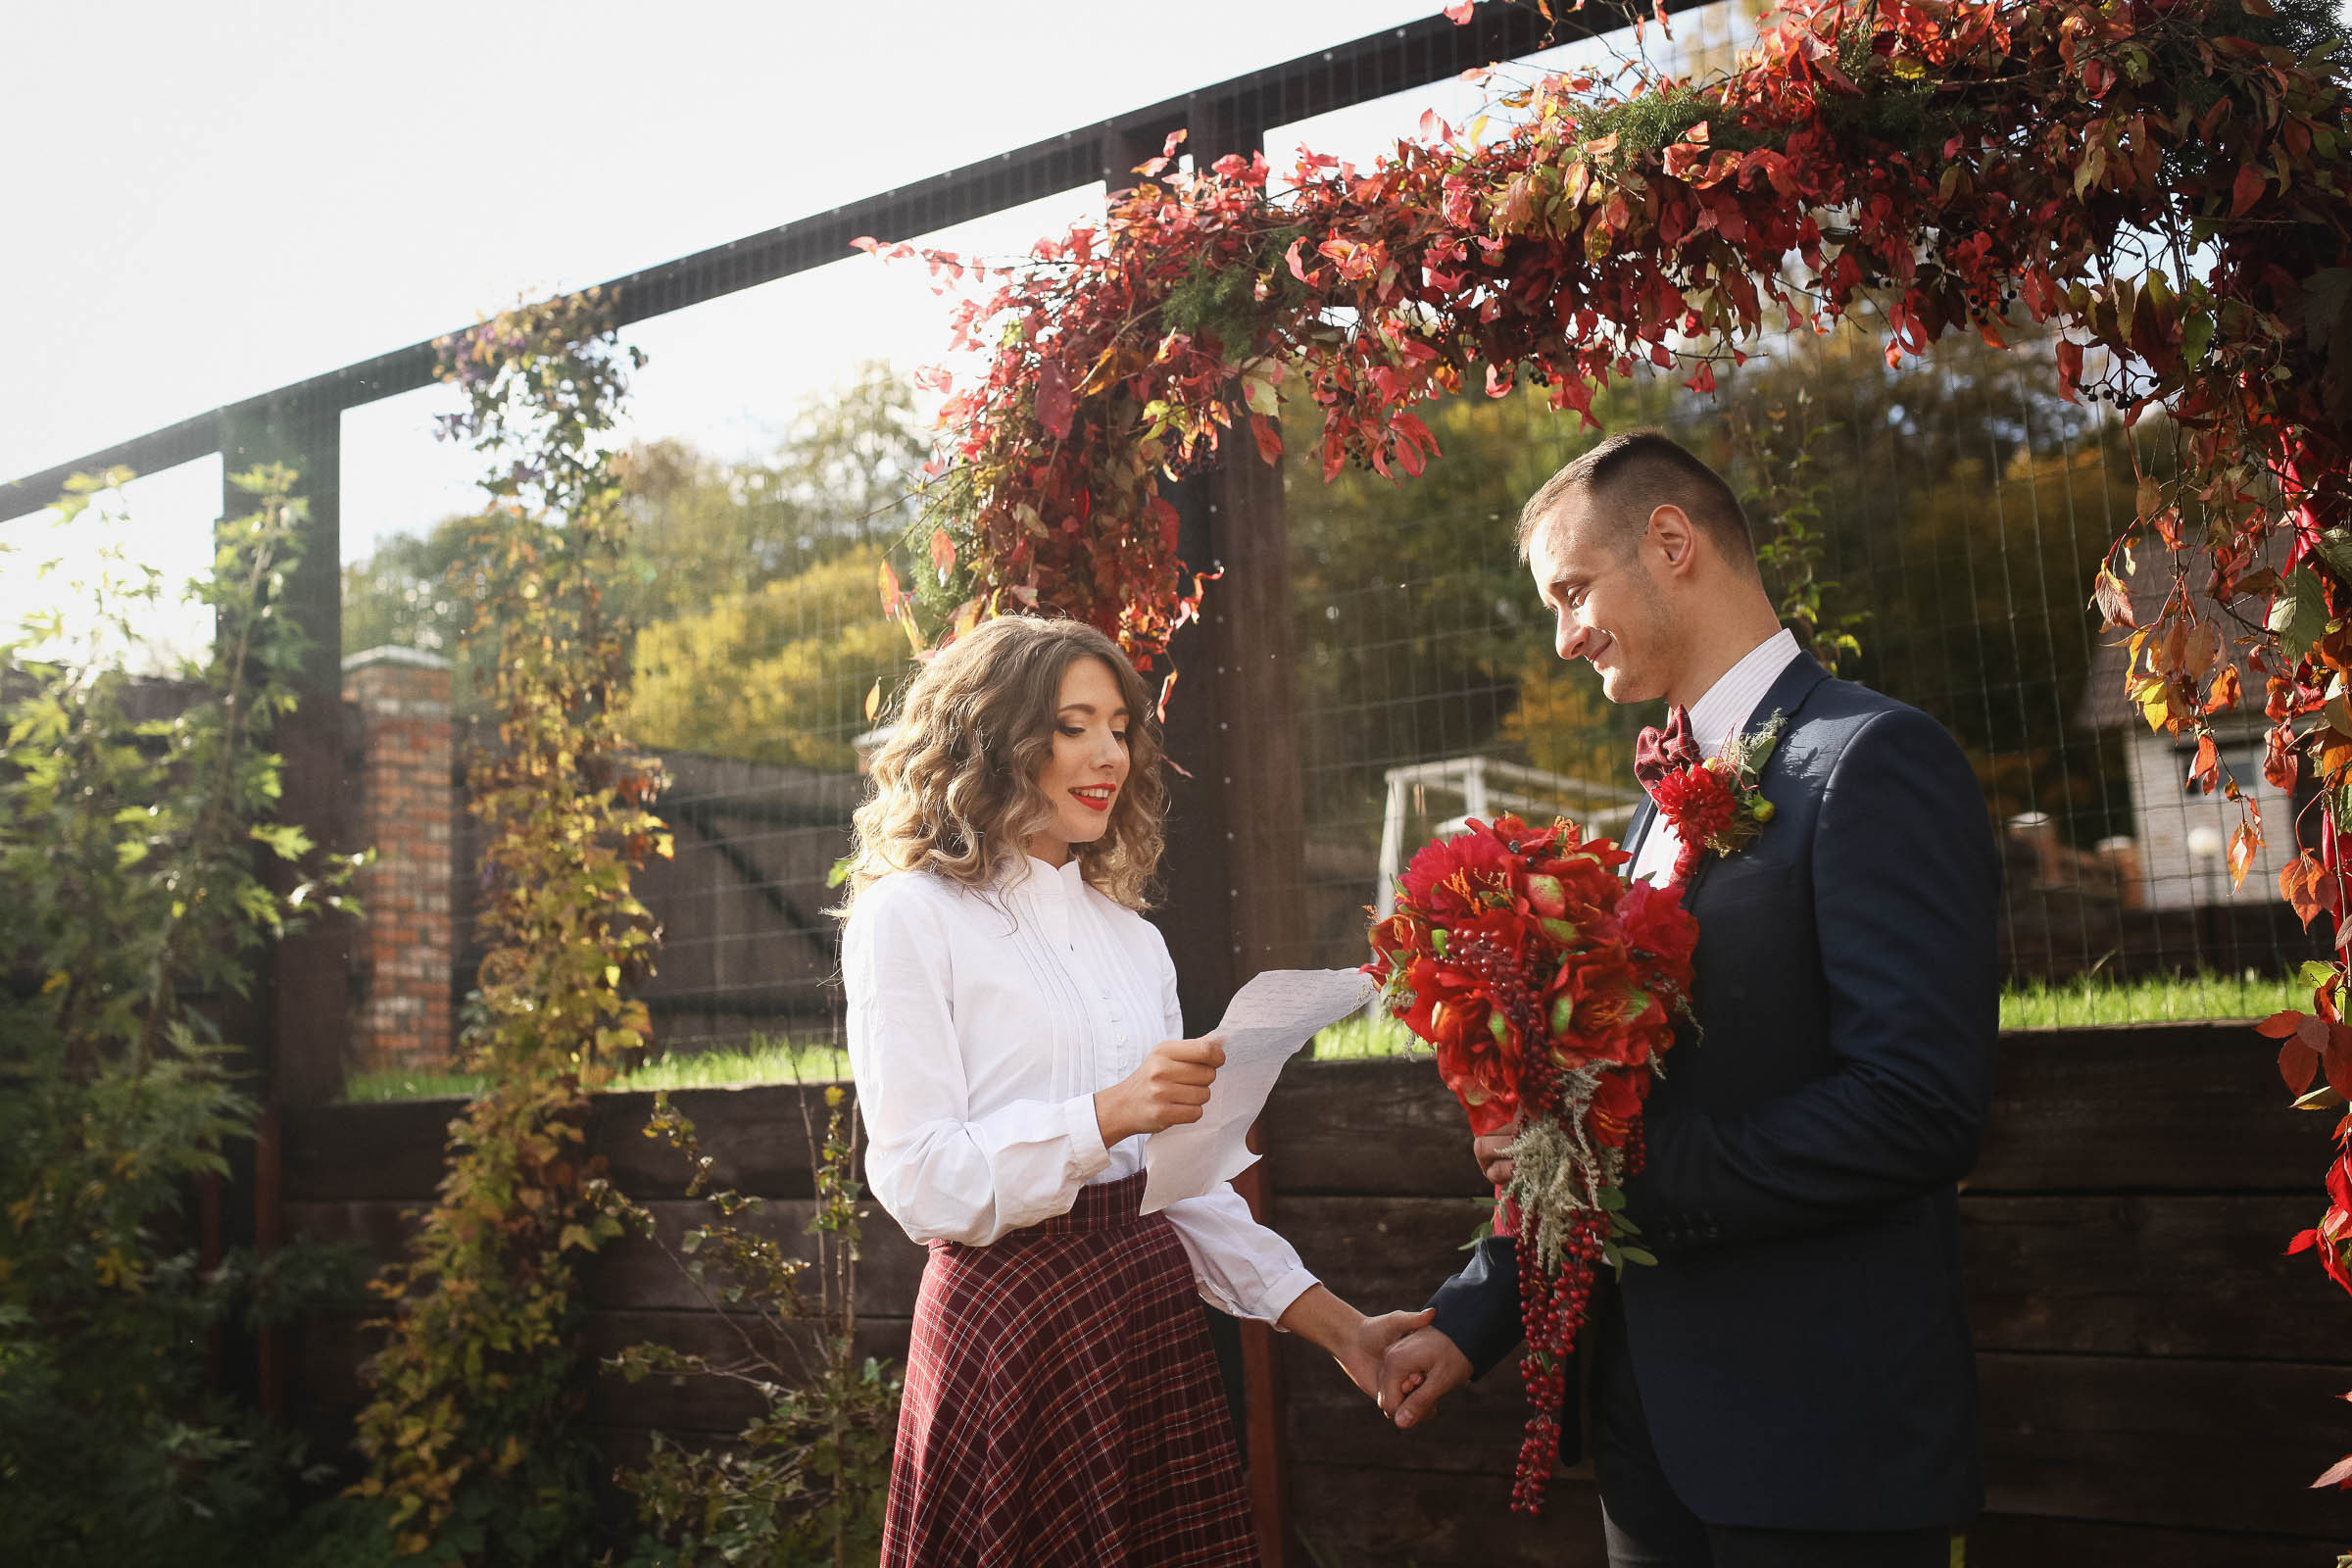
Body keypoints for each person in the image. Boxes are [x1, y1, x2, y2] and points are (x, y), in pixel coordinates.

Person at [1376, 430, 1999, 1568]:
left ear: (1672, 542)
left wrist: (1629, 1177)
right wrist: (1472, 1322)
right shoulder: (1652, 810)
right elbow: (1610, 1108)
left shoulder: (1873, 761)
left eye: (1572, 592)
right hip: (1649, 1445)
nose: (1563, 637)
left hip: (1821, 1452)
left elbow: (1918, 1105)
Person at [839, 613, 1430, 1568]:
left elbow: (1186, 1193)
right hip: (1011, 1335)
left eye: (1119, 725)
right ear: (994, 735)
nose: (1107, 751)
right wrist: (1107, 1113)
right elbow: (917, 1182)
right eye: (1074, 724)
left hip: (1146, 1329)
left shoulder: (1133, 940)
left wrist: (1346, 1331)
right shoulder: (906, 915)